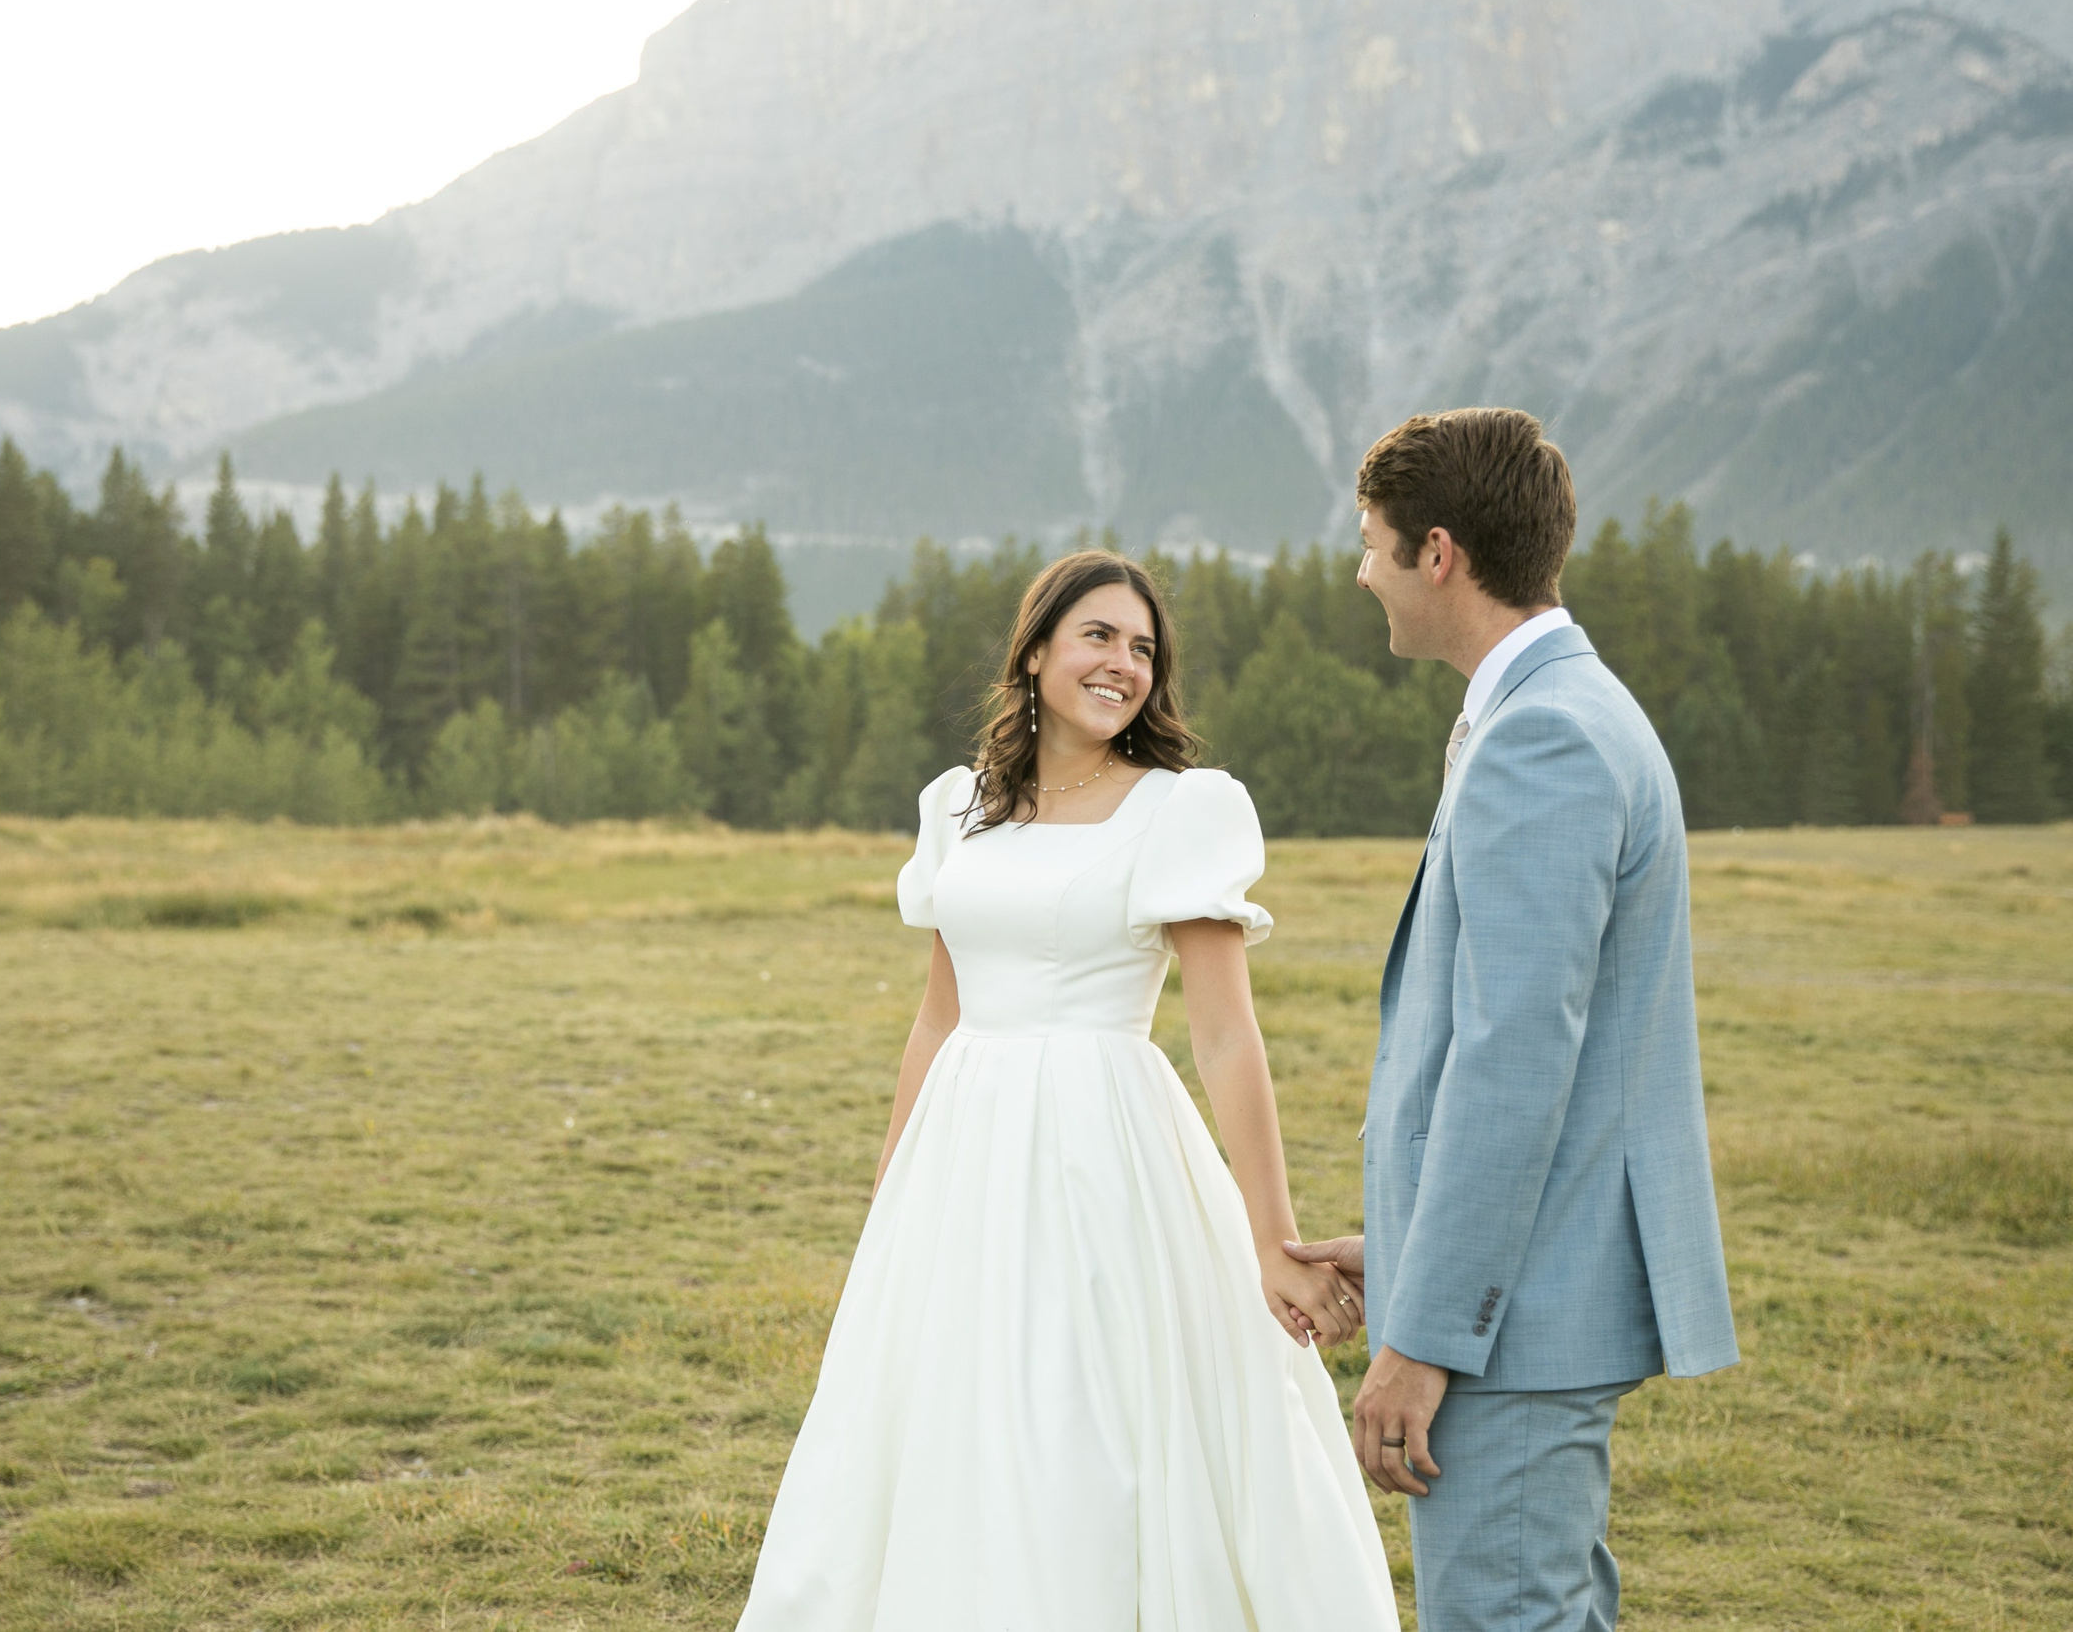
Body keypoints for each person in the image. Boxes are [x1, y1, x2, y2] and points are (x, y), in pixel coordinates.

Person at [738, 550, 1399, 1631]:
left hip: (1107, 1148)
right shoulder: (960, 807)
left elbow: (1225, 1035)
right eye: (1098, 635)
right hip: (963, 1149)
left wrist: (1270, 1236)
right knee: (951, 1411)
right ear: (1037, 648)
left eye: (1143, 648)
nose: (1123, 663)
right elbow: (939, 1016)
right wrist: (892, 1191)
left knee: (1086, 1411)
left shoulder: (1179, 810)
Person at [1287, 409, 1739, 1631]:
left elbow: (1513, 1066)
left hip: (1513, 1329)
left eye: (1371, 544)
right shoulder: (1559, 706)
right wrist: (1408, 1245)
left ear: (1437, 554)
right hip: (1527, 1295)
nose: (1361, 573)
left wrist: (1426, 1334)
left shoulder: (1542, 734)